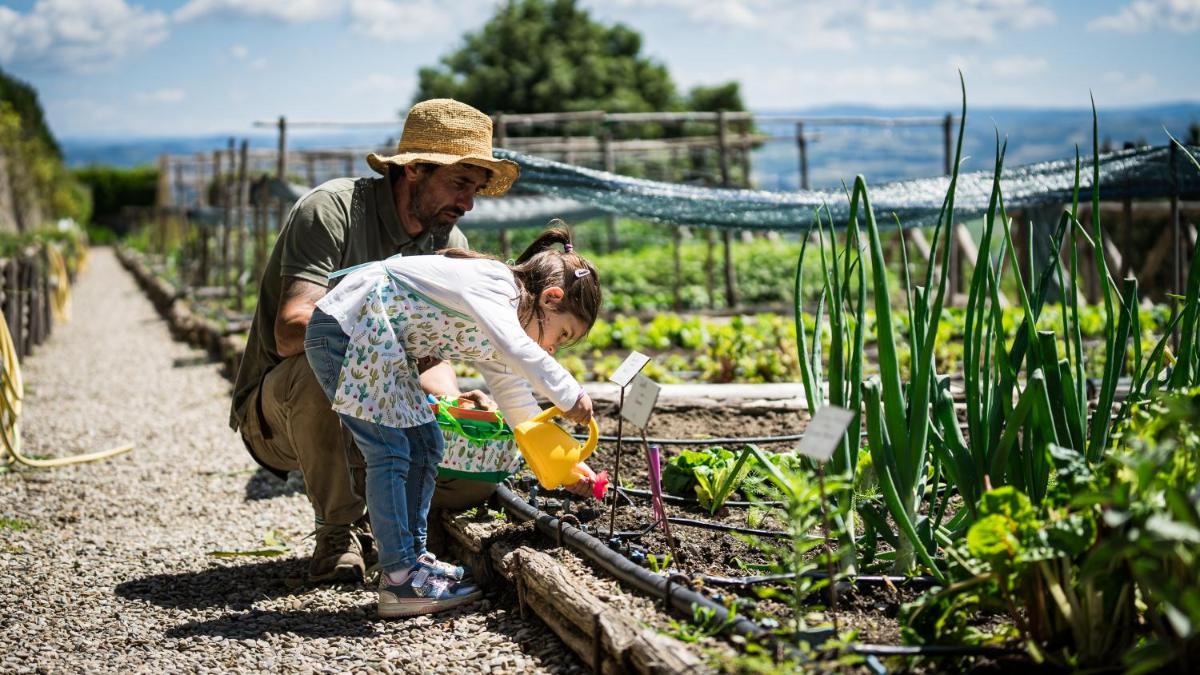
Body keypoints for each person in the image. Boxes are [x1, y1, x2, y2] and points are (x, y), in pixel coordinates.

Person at [229, 99, 521, 583]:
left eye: (476, 189)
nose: (468, 203)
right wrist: (386, 346)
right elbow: (291, 331)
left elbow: (429, 356)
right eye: (459, 183)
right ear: (414, 171)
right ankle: (337, 534)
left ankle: (399, 539)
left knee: (466, 466)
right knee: (325, 361)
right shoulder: (332, 211)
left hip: (372, 411)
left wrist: (452, 398)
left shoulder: (447, 243)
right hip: (282, 413)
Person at [304, 226, 601, 617]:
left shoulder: (506, 320)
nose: (550, 348)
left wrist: (564, 463)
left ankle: (413, 560)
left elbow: (518, 403)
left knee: (426, 444)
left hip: (377, 343)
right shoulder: (497, 286)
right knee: (391, 451)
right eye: (561, 335)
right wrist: (570, 392)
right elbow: (518, 348)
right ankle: (398, 579)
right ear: (551, 298)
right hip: (349, 329)